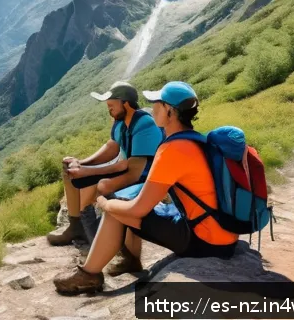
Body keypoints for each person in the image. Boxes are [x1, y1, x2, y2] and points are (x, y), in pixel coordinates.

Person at [53, 81, 238, 295]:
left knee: (116, 208)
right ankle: (126, 262)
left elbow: (138, 210)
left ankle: (89, 274)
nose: (152, 108)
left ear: (169, 111)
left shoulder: (172, 150)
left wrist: (103, 202)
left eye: (157, 104)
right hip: (219, 232)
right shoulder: (196, 140)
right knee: (122, 204)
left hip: (204, 240)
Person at [46, 81, 163, 263]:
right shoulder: (120, 122)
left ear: (125, 103)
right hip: (126, 168)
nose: (108, 109)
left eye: (111, 105)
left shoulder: (145, 125)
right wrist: (81, 163)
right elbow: (112, 147)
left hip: (143, 175)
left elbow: (132, 169)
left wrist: (88, 171)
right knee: (69, 169)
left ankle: (99, 247)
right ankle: (76, 226)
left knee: (91, 186)